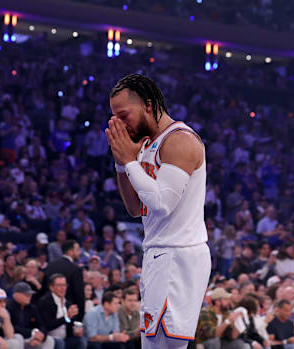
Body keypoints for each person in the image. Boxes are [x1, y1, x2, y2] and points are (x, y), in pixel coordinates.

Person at [105, 73, 210, 348]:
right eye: (114, 117)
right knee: (152, 344)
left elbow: (162, 204)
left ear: (148, 105)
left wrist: (130, 161)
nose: (119, 123)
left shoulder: (180, 140)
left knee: (165, 345)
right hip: (159, 252)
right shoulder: (147, 144)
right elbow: (134, 207)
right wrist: (121, 163)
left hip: (178, 255)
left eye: (124, 115)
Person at [37, 273, 86, 349]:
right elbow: (47, 325)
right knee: (60, 343)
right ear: (51, 287)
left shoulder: (68, 304)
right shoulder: (44, 302)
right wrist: (66, 317)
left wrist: (75, 331)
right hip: (49, 338)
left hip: (65, 338)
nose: (62, 288)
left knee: (81, 340)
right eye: (59, 285)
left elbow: (69, 324)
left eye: (64, 285)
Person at [6, 282, 55, 349]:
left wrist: (40, 336)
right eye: (26, 294)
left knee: (49, 340)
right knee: (18, 338)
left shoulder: (31, 308)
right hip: (14, 337)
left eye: (30, 295)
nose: (29, 297)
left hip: (31, 338)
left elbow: (41, 325)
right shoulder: (8, 307)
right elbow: (10, 327)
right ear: (16, 295)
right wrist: (32, 333)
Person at [45, 240, 86, 319]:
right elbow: (79, 295)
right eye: (77, 250)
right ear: (70, 251)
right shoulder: (75, 269)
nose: (79, 252)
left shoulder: (50, 265)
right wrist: (80, 317)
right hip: (69, 311)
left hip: (49, 310)